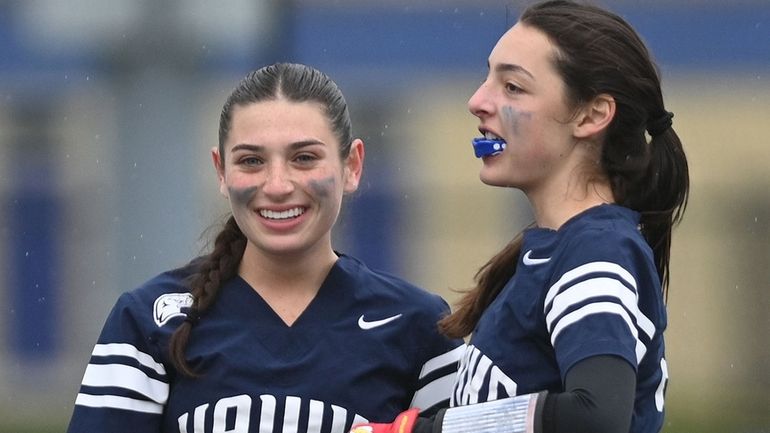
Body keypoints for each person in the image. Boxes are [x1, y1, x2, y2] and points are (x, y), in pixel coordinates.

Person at [66, 63, 464, 433]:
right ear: (221, 171)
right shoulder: (147, 321)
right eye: (252, 160)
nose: (277, 185)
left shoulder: (419, 327)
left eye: (304, 158)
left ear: (352, 166)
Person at [351, 1, 689, 433]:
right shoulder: (560, 247)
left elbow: (597, 416)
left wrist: (418, 430)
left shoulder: (597, 249)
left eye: (512, 87)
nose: (477, 101)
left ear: (591, 115)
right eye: (488, 77)